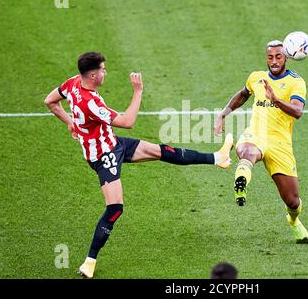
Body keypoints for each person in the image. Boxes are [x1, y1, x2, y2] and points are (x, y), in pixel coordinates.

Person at [44, 52, 234, 278]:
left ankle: (218, 158)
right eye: (103, 69)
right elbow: (128, 122)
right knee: (115, 208)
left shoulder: (73, 82)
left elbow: (50, 101)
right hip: (104, 156)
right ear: (93, 74)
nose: (106, 72)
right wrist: (138, 91)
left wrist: (71, 123)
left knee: (161, 151)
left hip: (112, 143)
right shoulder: (91, 103)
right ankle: (89, 261)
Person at [214, 40, 308, 244]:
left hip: (280, 143)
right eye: (270, 57)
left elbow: (297, 111)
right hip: (256, 133)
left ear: (286, 57)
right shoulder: (256, 77)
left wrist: (276, 99)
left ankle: (293, 220)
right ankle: (241, 182)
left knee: (292, 201)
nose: (274, 61)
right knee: (246, 151)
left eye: (278, 56)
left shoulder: (296, 82)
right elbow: (243, 94)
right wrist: (223, 114)